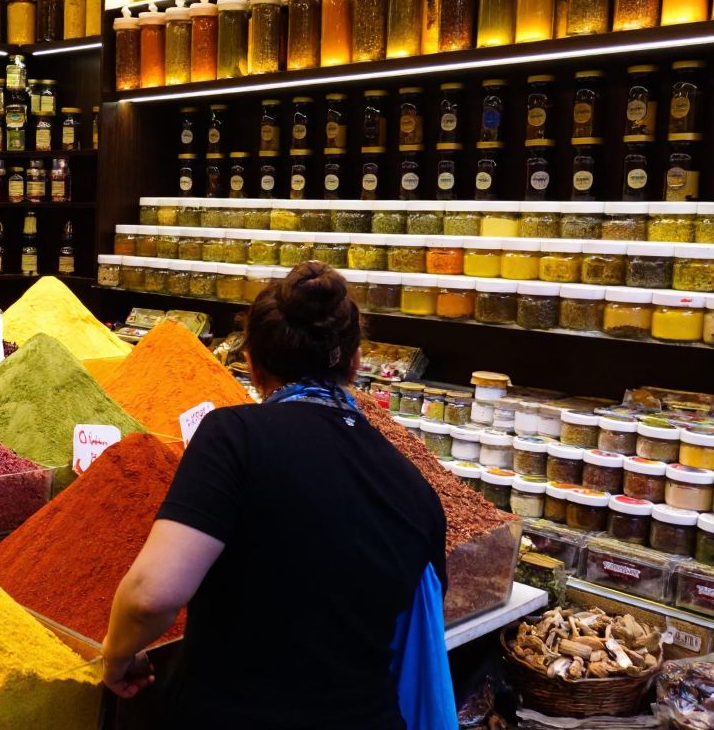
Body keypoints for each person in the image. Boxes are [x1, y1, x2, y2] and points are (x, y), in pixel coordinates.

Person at [101, 262, 452, 729]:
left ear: (251, 361)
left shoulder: (234, 437)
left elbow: (151, 595)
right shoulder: (412, 482)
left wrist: (116, 654)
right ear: (355, 362)